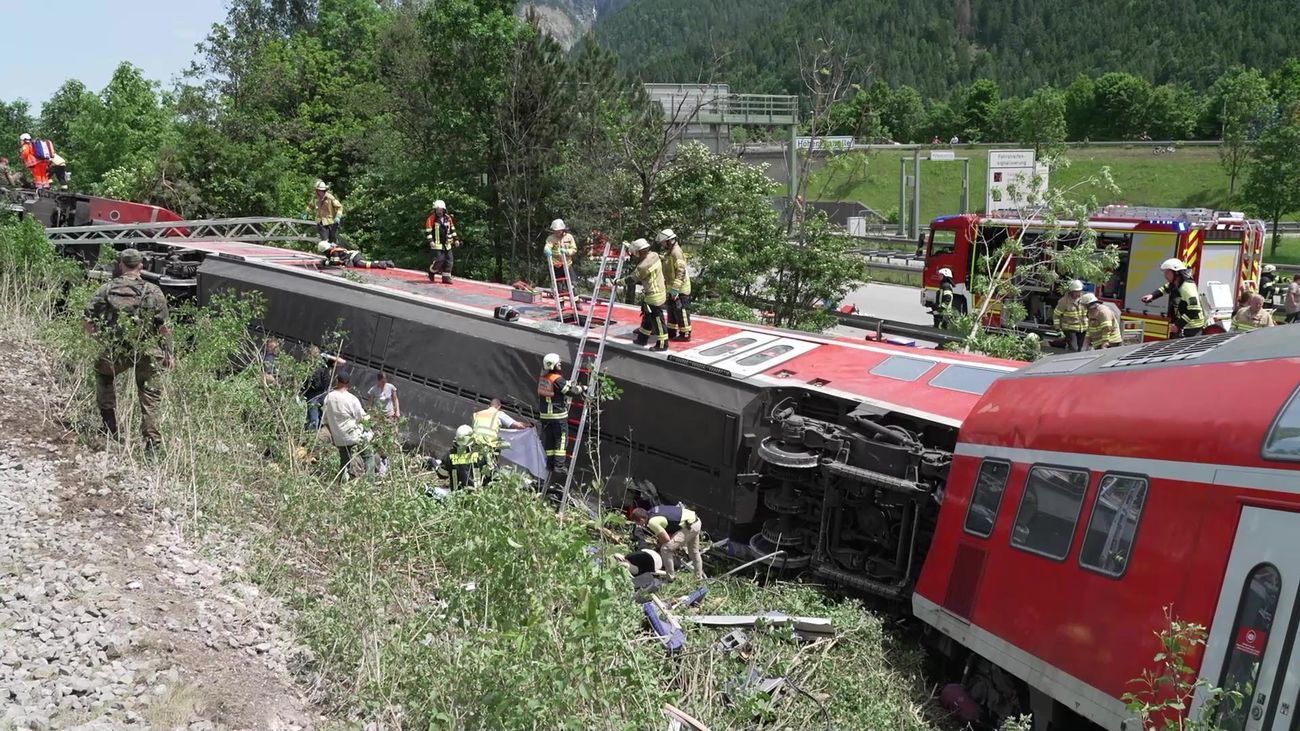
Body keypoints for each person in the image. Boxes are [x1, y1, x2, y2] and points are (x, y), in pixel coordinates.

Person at [82, 248, 174, 449]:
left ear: (121, 265)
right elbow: (164, 327)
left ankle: (110, 427)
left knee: (103, 373)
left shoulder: (107, 288)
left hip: (118, 350)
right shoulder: (153, 291)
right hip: (149, 351)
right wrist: (169, 353)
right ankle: (152, 444)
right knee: (149, 396)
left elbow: (87, 320)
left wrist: (103, 340)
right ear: (141, 265)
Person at [631, 504, 705, 581]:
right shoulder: (653, 511)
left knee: (665, 549)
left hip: (689, 526)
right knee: (694, 552)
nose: (639, 525)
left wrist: (660, 547)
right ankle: (698, 578)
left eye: (637, 523)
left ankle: (670, 578)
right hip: (695, 520)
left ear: (642, 520)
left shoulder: (652, 522)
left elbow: (666, 539)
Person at [1140, 258, 1207, 338]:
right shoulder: (1175, 283)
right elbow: (1165, 288)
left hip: (1192, 328)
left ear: (1176, 273)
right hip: (1183, 326)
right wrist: (1152, 295)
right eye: (1165, 272)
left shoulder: (1187, 287)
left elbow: (1194, 310)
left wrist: (1178, 325)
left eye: (1167, 273)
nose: (1165, 275)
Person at [322, 371, 370, 480]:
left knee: (344, 460)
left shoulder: (328, 398)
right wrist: (372, 420)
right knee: (368, 454)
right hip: (353, 435)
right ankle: (369, 482)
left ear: (337, 381)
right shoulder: (351, 399)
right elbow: (362, 418)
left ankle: (341, 482)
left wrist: (335, 435)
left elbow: (325, 421)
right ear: (348, 383)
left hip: (339, 438)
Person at [623, 238, 669, 351]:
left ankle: (663, 345)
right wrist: (630, 246)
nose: (635, 255)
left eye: (636, 253)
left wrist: (618, 282)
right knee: (647, 318)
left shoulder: (642, 266)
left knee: (658, 321)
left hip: (654, 296)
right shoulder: (654, 255)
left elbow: (632, 279)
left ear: (640, 252)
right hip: (659, 292)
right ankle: (642, 339)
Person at [536, 353, 573, 473]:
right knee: (561, 439)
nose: (560, 363)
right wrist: (581, 388)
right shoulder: (558, 379)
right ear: (553, 365)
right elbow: (571, 392)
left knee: (550, 440)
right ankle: (559, 466)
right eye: (558, 362)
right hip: (558, 416)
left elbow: (556, 388)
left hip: (545, 416)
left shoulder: (543, 379)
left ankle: (550, 464)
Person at [657, 228, 693, 342]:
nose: (662, 244)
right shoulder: (670, 251)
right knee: (672, 311)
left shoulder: (676, 252)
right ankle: (671, 331)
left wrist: (675, 289)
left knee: (681, 311)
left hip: (680, 289)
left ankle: (685, 334)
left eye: (663, 242)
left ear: (670, 241)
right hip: (672, 288)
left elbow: (681, 271)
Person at [301, 346, 344, 431]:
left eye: (317, 353)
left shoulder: (323, 361)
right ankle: (310, 436)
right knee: (313, 417)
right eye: (313, 354)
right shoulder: (307, 364)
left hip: (323, 393)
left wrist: (326, 356)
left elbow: (342, 362)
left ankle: (316, 435)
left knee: (321, 417)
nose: (315, 355)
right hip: (312, 394)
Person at [366, 372, 401, 477]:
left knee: (391, 438)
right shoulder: (373, 390)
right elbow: (370, 404)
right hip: (378, 417)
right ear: (379, 380)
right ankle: (382, 460)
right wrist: (370, 416)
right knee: (378, 439)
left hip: (389, 416)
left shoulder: (391, 388)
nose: (384, 382)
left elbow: (395, 399)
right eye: (382, 380)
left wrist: (397, 411)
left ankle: (391, 462)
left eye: (385, 380)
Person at [436, 425, 488, 491]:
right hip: (476, 496)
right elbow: (489, 475)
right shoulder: (480, 455)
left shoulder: (450, 455)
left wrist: (434, 464)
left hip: (457, 497)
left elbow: (442, 474)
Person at [545, 218, 579, 309]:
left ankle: (576, 303)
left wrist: (567, 251)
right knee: (558, 285)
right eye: (555, 231)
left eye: (558, 231)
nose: (556, 232)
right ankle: (561, 304)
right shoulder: (551, 238)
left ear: (562, 229)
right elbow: (548, 245)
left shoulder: (569, 237)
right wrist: (547, 249)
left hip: (567, 264)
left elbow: (574, 249)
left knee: (572, 284)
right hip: (556, 265)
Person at [425, 199, 459, 284]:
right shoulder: (431, 218)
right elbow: (428, 231)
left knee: (449, 260)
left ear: (444, 210)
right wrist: (430, 241)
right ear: (435, 210)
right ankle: (431, 271)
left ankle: (446, 277)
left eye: (440, 210)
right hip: (437, 244)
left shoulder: (448, 218)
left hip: (447, 243)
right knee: (439, 260)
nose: (439, 211)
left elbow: (452, 229)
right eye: (437, 210)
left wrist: (456, 239)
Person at [1053, 280, 1088, 352]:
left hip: (1083, 330)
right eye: (1076, 291)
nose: (1078, 293)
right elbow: (1056, 315)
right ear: (1072, 291)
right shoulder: (1064, 301)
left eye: (1079, 291)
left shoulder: (1084, 299)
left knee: (1081, 350)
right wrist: (1058, 329)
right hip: (1070, 330)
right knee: (1073, 350)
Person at [316, 241, 393, 269]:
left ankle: (383, 263)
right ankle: (382, 263)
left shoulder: (334, 251)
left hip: (354, 256)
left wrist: (325, 262)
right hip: (352, 257)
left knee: (362, 264)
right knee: (363, 264)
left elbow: (335, 262)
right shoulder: (333, 250)